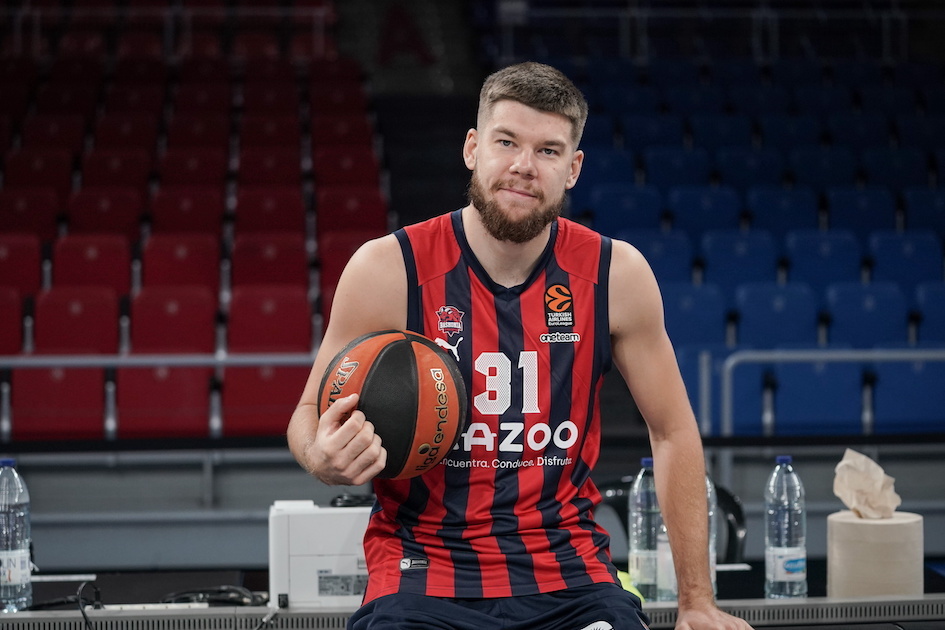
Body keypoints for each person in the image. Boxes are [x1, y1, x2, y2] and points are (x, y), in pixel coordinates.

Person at [287, 61, 753, 630]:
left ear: (573, 168)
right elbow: (308, 412)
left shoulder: (616, 274)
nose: (523, 166)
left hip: (570, 574)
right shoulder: (388, 269)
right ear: (472, 148)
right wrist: (320, 456)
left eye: (548, 151)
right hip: (423, 569)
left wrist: (696, 601)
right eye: (506, 142)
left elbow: (674, 432)